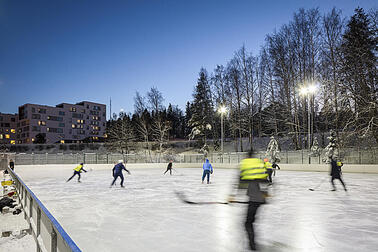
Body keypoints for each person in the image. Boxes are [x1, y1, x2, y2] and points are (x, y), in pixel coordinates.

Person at [230, 150, 269, 251]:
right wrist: (265, 193)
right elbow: (265, 178)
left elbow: (240, 182)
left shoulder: (244, 164)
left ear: (247, 156)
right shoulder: (259, 163)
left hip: (254, 197)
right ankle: (252, 244)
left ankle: (252, 246)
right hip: (260, 197)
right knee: (251, 220)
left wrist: (233, 196)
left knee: (248, 223)